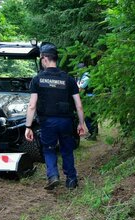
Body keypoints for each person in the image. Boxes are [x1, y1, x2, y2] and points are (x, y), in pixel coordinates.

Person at [25, 44, 88, 190]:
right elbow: (78, 105)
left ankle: (53, 176)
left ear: (45, 59)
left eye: (41, 59)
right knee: (67, 149)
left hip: (47, 122)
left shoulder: (37, 79)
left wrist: (28, 126)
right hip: (66, 121)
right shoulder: (68, 79)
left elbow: (32, 105)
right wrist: (81, 123)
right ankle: (71, 180)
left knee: (48, 148)